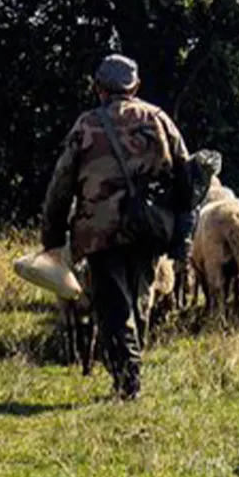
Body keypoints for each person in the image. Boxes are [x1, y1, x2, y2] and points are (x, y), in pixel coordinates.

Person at [40, 54, 195, 399]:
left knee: (113, 306)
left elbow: (61, 183)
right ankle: (129, 375)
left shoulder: (86, 126)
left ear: (98, 88)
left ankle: (127, 383)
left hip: (101, 229)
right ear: (135, 87)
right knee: (139, 299)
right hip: (150, 226)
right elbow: (187, 176)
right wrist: (181, 229)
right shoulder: (160, 120)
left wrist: (51, 237)